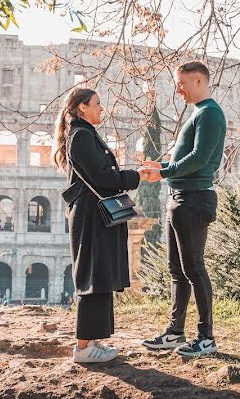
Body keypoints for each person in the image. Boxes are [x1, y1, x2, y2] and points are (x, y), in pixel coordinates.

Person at [53, 87, 153, 364]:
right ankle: (83, 347)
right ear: (82, 107)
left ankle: (92, 341)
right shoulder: (81, 136)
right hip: (91, 215)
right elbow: (103, 177)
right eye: (97, 104)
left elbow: (102, 174)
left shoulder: (83, 133)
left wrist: (130, 175)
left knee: (99, 276)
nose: (101, 108)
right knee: (92, 276)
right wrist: (137, 176)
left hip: (94, 214)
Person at [139, 61, 226, 358]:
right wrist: (160, 168)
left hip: (194, 199)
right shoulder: (197, 114)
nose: (177, 89)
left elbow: (200, 159)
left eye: (181, 83)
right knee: (177, 269)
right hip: (179, 197)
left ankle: (206, 337)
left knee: (194, 268)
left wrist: (164, 173)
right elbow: (184, 160)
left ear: (199, 80)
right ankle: (175, 332)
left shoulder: (210, 114)